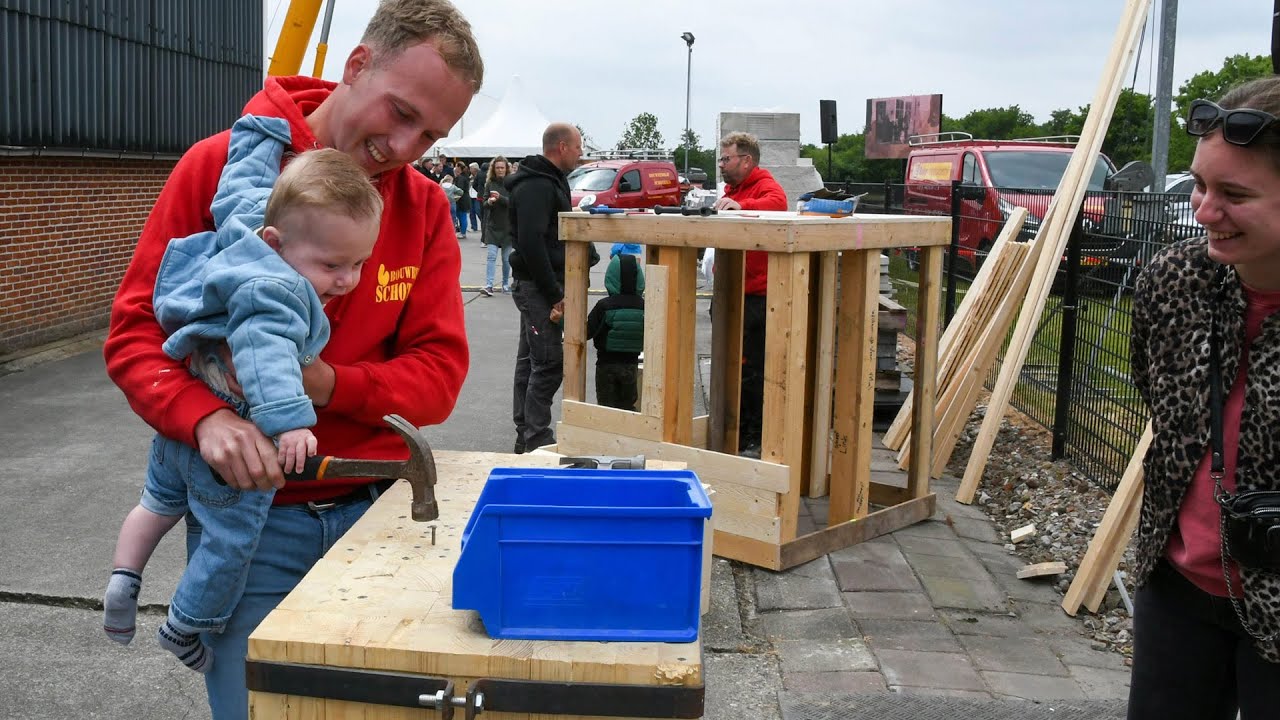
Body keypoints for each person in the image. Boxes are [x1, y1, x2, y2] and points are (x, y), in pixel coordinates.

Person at [102, 1, 482, 715]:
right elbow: (134, 337)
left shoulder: (426, 209)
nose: (405, 146)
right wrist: (205, 419)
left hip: (379, 518)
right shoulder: (215, 168)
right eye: (401, 113)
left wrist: (320, 383)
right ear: (357, 65)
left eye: (431, 134)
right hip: (252, 524)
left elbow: (437, 377)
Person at [103, 135, 382, 675]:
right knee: (230, 542)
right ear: (276, 244)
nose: (346, 280)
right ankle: (185, 625)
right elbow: (264, 353)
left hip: (182, 429)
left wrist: (259, 135)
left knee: (156, 505)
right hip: (232, 446)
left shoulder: (246, 226)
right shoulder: (278, 291)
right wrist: (291, 423)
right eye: (333, 264)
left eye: (359, 263)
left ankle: (124, 576)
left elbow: (240, 185)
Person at [1127, 76, 1280, 720]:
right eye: (1199, 185)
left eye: (1234, 195)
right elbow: (1159, 402)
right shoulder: (1175, 280)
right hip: (1179, 587)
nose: (1204, 211)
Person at [507, 122, 588, 453]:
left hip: (538, 285)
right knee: (549, 362)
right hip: (538, 288)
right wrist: (555, 294)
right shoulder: (537, 185)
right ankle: (536, 437)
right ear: (562, 147)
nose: (581, 153)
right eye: (578, 147)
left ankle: (526, 433)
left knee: (530, 361)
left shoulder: (548, 181)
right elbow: (531, 242)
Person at [712, 131, 787, 457]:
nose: (721, 164)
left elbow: (778, 204)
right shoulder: (734, 190)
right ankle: (732, 433)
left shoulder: (763, 186)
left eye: (726, 159)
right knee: (729, 367)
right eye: (721, 158)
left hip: (756, 299)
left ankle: (753, 438)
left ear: (746, 161)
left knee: (753, 371)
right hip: (732, 294)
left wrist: (741, 206)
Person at [587, 252, 645, 411]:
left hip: (606, 364)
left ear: (611, 278)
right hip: (631, 364)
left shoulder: (604, 306)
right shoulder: (644, 306)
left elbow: (586, 332)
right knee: (627, 406)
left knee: (606, 409)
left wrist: (561, 321)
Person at [480, 155, 513, 295]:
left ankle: (505, 284)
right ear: (493, 169)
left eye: (502, 168)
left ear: (506, 169)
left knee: (506, 259)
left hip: (508, 227)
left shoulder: (511, 183)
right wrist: (489, 202)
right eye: (497, 167)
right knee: (491, 257)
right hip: (492, 226)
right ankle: (489, 285)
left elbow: (514, 203)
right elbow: (484, 203)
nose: (500, 170)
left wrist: (500, 198)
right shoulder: (490, 183)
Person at [453, 159, 472, 236]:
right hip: (465, 198)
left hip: (461, 199)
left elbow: (459, 189)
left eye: (456, 166)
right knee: (462, 215)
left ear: (458, 167)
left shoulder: (460, 177)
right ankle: (462, 231)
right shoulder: (465, 176)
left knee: (462, 216)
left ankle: (463, 232)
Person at [469, 161, 483, 232]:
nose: (470, 170)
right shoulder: (470, 176)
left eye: (471, 168)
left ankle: (483, 223)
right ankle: (474, 227)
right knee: (471, 212)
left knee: (478, 210)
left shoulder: (480, 175)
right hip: (471, 195)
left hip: (477, 195)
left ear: (475, 169)